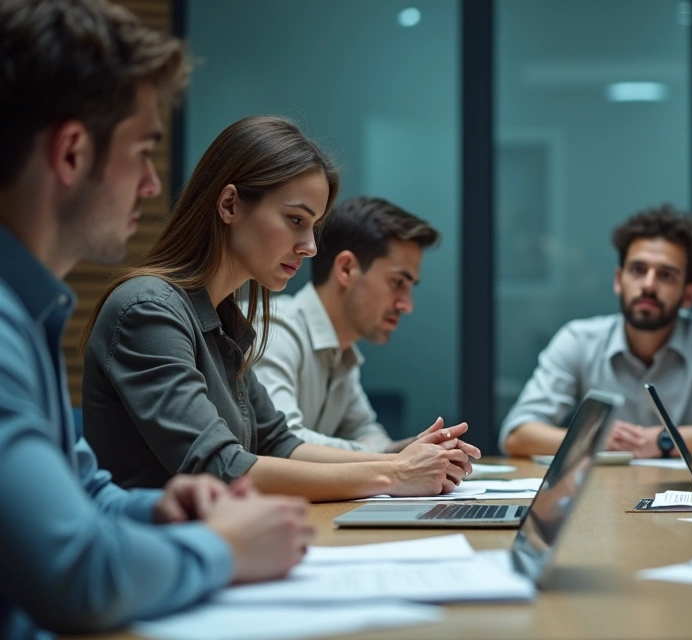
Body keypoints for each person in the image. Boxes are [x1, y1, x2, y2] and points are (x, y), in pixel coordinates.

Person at [0, 1, 313, 636]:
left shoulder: (32, 312)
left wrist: (167, 511)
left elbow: (89, 496)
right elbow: (78, 571)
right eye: (143, 152)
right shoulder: (28, 318)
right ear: (71, 153)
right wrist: (225, 549)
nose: (150, 183)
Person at [81, 115, 480, 502]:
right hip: (159, 558)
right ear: (230, 205)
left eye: (313, 227)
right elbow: (219, 466)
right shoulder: (148, 310)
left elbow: (279, 443)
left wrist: (401, 460)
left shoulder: (224, 321)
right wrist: (393, 473)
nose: (309, 246)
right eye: (294, 220)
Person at [500, 205, 692, 457]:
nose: (648, 285)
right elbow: (516, 433)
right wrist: (595, 438)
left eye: (666, 275)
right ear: (619, 281)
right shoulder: (578, 339)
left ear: (689, 295)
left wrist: (664, 440)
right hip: (601, 501)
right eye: (638, 270)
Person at [253, 196, 438, 453]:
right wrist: (394, 462)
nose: (407, 305)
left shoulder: (342, 350)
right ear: (347, 269)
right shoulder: (274, 329)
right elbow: (280, 442)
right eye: (398, 283)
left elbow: (365, 432)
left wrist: (411, 451)